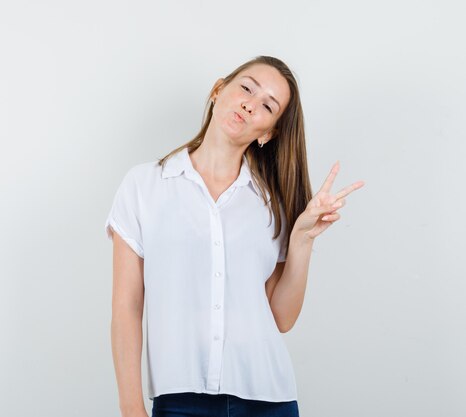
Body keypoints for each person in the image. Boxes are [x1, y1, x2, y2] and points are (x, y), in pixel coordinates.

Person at [104, 55, 364, 417]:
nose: (250, 104)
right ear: (218, 90)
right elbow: (127, 307)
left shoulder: (270, 204)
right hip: (179, 401)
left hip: (268, 399)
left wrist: (302, 240)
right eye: (246, 88)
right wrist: (131, 407)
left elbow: (282, 318)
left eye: (267, 106)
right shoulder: (144, 185)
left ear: (268, 133)